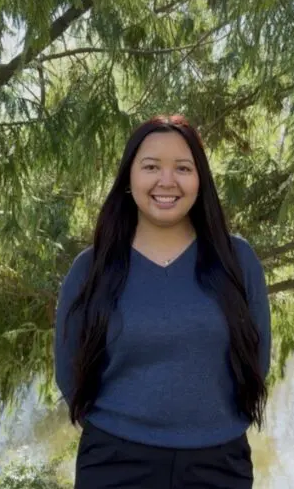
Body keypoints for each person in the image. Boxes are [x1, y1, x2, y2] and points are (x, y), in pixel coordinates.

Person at [53, 115, 272, 488]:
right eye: (151, 166)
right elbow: (69, 372)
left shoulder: (237, 262)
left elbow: (257, 358)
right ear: (128, 179)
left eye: (182, 168)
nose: (166, 181)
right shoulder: (91, 269)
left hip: (218, 464)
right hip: (114, 463)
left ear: (199, 180)